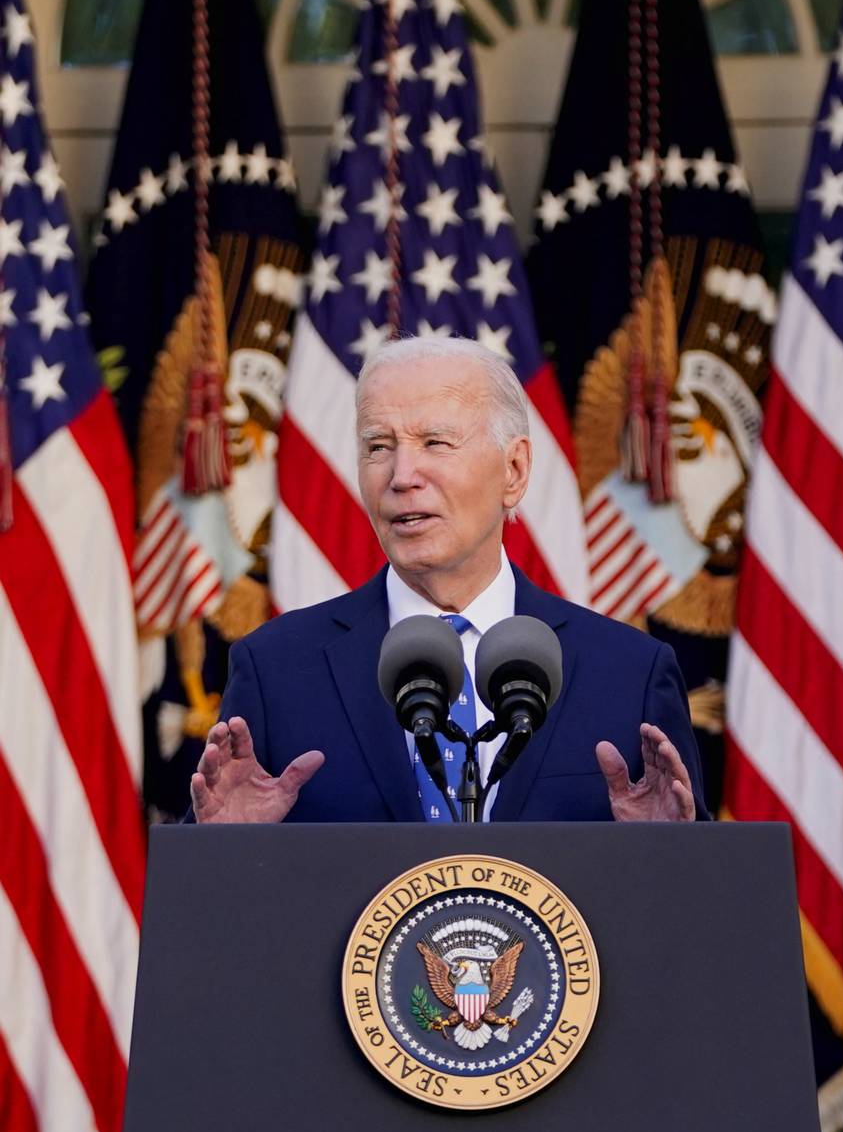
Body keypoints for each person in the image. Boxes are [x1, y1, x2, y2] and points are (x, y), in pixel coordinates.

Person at [190, 336, 707, 825]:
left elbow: (701, 900)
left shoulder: (628, 675)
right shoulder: (276, 671)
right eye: (378, 447)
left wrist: (670, 851)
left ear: (515, 470)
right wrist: (224, 848)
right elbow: (208, 900)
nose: (401, 475)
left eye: (435, 442)